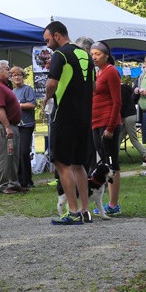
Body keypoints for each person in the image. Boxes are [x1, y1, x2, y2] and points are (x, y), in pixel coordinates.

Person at [43, 20, 95, 225]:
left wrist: (47, 97)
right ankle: (85, 210)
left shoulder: (60, 54)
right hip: (84, 117)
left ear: (57, 35)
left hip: (64, 116)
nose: (47, 45)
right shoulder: (86, 54)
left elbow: (52, 83)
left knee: (62, 163)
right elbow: (94, 86)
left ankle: (72, 211)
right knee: (78, 164)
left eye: (48, 40)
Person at [90, 41, 123, 216]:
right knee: (104, 162)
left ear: (106, 55)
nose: (94, 57)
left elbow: (117, 101)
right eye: (92, 54)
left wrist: (110, 127)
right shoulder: (97, 73)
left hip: (107, 122)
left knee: (111, 164)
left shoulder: (111, 72)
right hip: (96, 122)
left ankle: (113, 204)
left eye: (97, 54)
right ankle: (106, 202)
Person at [0, 60, 23, 194]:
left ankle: (13, 183)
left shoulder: (2, 85)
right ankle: (3, 185)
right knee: (4, 157)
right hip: (2, 126)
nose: (9, 71)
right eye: (7, 69)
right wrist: (7, 127)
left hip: (7, 125)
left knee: (11, 156)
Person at [10, 66, 37, 189]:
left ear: (23, 76)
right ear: (11, 78)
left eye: (19, 75)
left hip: (26, 125)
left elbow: (32, 104)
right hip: (15, 125)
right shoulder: (11, 92)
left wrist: (18, 105)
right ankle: (20, 179)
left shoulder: (27, 89)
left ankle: (27, 180)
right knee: (17, 153)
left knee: (24, 152)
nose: (17, 77)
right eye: (14, 75)